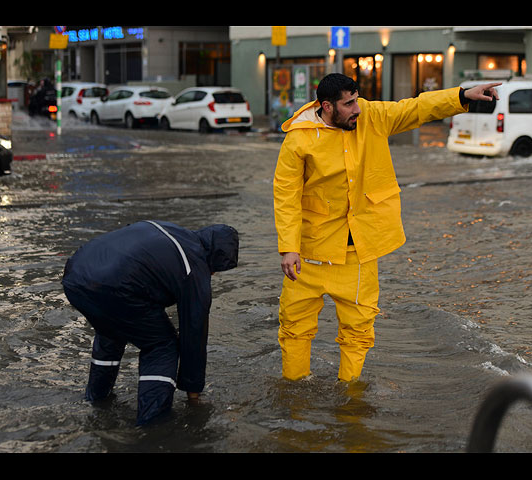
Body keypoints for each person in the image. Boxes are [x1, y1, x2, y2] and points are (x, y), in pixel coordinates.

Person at [273, 73, 499, 382]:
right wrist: (288, 248)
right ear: (327, 106)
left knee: (359, 331)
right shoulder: (299, 139)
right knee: (295, 329)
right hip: (308, 254)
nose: (357, 109)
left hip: (358, 252)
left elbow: (415, 108)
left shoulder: (372, 117)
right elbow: (285, 195)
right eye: (349, 104)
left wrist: (462, 96)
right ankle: (293, 396)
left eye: (357, 100)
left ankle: (350, 398)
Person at [62, 220, 239, 425]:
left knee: (111, 329)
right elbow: (194, 332)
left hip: (76, 276)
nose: (214, 274)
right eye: (217, 268)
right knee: (162, 345)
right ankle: (152, 422)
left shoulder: (168, 229)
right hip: (117, 286)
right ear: (215, 257)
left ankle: (96, 398)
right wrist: (194, 392)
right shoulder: (195, 265)